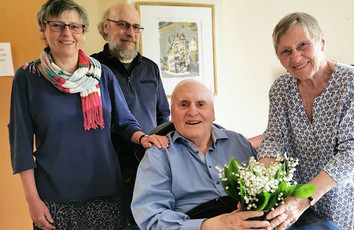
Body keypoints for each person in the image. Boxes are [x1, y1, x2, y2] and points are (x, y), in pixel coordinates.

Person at [9, 0, 167, 229]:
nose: (67, 33)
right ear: (43, 30)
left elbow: (124, 122)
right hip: (54, 197)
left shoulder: (102, 74)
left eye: (75, 26)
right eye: (57, 25)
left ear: (83, 32)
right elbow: (20, 144)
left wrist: (143, 138)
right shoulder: (28, 77)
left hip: (107, 192)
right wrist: (32, 200)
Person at [257, 12, 354, 230]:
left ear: (321, 42)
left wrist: (304, 199)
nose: (295, 56)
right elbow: (274, 140)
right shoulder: (281, 88)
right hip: (305, 204)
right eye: (286, 51)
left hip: (352, 201)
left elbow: (352, 152)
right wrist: (259, 189)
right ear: (278, 57)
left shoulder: (351, 81)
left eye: (303, 45)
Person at [130, 80, 270, 230]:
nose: (192, 112)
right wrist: (209, 225)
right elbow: (151, 217)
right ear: (172, 114)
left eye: (201, 104)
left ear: (213, 113)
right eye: (184, 104)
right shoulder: (158, 155)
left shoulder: (239, 142)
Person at [91, 3, 170, 228]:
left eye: (136, 27)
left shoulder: (151, 68)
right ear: (106, 28)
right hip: (108, 165)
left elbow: (163, 114)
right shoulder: (91, 68)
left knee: (145, 222)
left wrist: (162, 151)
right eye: (123, 25)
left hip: (147, 162)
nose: (131, 32)